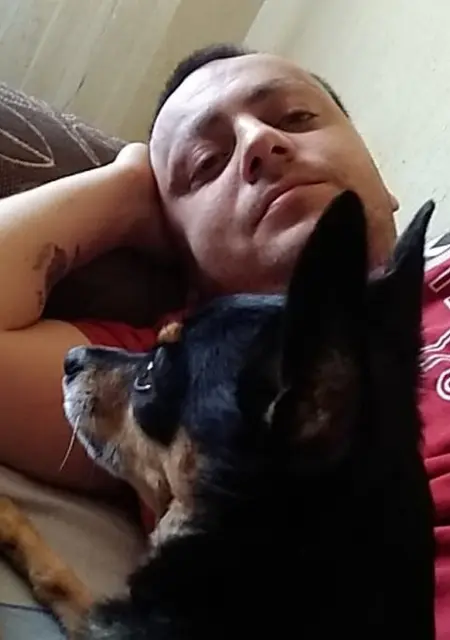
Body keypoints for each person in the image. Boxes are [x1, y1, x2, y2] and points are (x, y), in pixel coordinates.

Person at [0, 42, 449, 635]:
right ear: (180, 255)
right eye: (206, 163)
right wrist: (125, 185)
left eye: (296, 117)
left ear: (385, 185)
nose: (260, 141)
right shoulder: (166, 383)